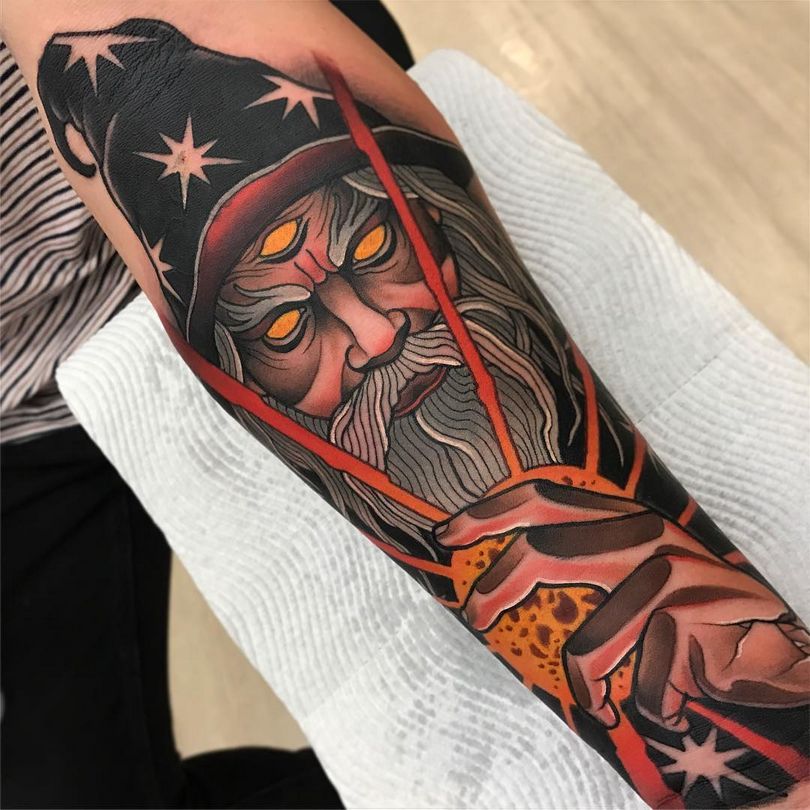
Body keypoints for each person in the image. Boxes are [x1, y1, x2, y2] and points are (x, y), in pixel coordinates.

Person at [2, 2, 808, 808]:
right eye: (287, 324)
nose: (377, 334)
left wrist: (772, 769)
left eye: (373, 248)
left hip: (151, 220)